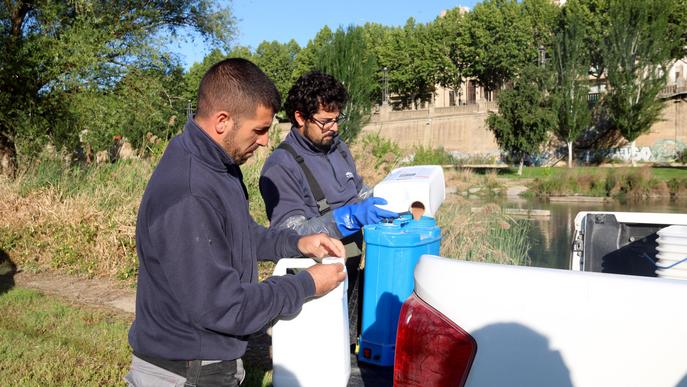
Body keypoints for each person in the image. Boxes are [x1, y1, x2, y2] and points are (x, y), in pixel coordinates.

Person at [126, 58, 346, 387]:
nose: (265, 142)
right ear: (222, 121)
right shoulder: (190, 193)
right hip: (187, 371)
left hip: (201, 363)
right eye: (259, 130)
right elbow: (227, 307)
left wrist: (295, 243)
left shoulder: (214, 160)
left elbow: (236, 233)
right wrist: (307, 285)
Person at [259, 71, 398, 348]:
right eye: (325, 121)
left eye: (337, 119)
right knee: (317, 359)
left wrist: (386, 200)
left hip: (349, 269)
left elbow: (359, 191)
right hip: (311, 282)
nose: (334, 127)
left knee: (347, 354)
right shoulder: (281, 166)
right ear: (300, 117)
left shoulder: (338, 148)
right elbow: (290, 235)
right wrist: (349, 218)